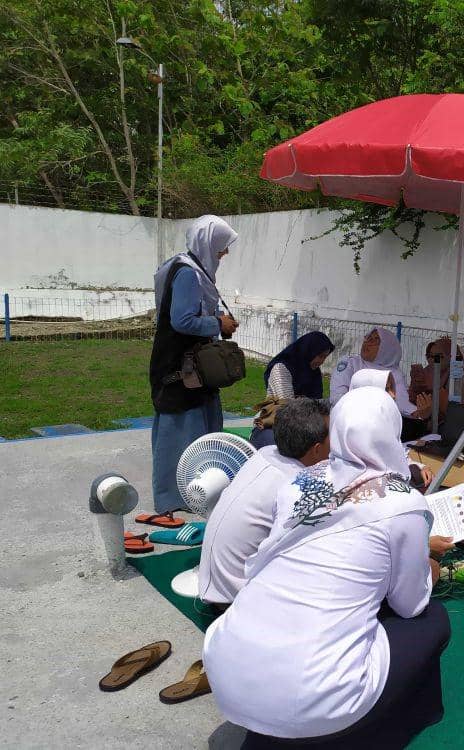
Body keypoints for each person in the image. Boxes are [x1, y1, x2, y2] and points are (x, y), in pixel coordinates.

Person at [203, 387, 451, 748]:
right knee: (434, 620)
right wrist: (429, 568)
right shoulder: (404, 504)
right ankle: (400, 721)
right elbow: (410, 604)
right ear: (391, 433)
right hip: (317, 700)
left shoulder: (298, 482)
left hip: (226, 670)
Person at [199, 398, 330, 610]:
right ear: (316, 449)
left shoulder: (265, 454)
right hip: (238, 598)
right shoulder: (296, 486)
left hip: (216, 582)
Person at [149, 215, 239, 517]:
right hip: (180, 369)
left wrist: (218, 325)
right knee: (179, 428)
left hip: (193, 368)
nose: (224, 253)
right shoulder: (188, 274)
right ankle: (176, 496)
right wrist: (217, 323)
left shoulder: (191, 269)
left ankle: (198, 489)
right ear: (208, 243)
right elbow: (182, 320)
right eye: (221, 246)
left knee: (197, 424)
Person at [351, 368, 456, 563]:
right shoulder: (356, 429)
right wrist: (424, 545)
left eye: (392, 388)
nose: (393, 394)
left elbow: (396, 453)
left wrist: (417, 466)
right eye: (386, 388)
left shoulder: (386, 419)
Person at [250, 331, 334, 448]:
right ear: (309, 351)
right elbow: (288, 407)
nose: (322, 361)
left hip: (303, 425)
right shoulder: (281, 368)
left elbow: (317, 403)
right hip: (275, 424)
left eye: (325, 357)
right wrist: (317, 404)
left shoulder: (313, 371)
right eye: (320, 356)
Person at [330, 326, 418, 417]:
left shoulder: (395, 373)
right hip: (347, 418)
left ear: (387, 347)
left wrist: (418, 413)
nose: (367, 343)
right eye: (368, 338)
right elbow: (338, 397)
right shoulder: (350, 363)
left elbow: (402, 403)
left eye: (375, 340)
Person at [408, 337, 464, 416]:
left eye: (439, 356)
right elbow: (412, 399)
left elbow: (457, 414)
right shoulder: (425, 373)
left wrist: (429, 412)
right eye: (429, 355)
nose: (432, 360)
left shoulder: (458, 379)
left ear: (450, 358)